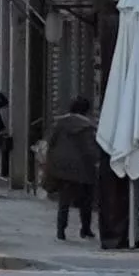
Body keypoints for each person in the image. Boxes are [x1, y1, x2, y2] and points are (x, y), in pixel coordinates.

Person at [45, 96, 99, 241]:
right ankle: (85, 229)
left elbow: (51, 142)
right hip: (82, 168)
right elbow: (89, 149)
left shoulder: (60, 123)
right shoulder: (87, 127)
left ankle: (61, 230)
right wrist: (97, 159)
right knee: (86, 200)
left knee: (64, 200)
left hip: (62, 167)